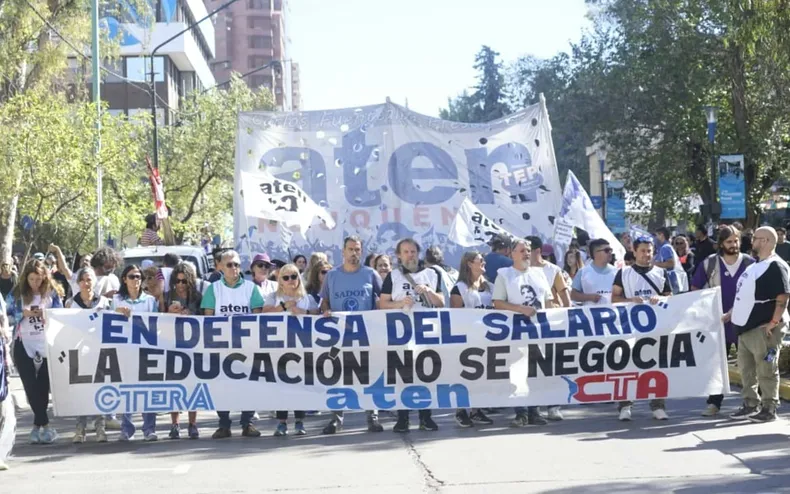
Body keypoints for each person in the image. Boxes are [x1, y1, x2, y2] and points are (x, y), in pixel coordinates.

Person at [319, 236, 385, 434]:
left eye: (357, 249)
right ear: (343, 251)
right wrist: (326, 310)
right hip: (339, 335)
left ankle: (372, 417)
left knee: (367, 376)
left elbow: (383, 300)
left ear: (361, 252)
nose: (354, 253)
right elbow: (324, 301)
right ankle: (336, 418)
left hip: (365, 335)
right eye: (350, 249)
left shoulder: (371, 274)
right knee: (337, 376)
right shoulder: (332, 275)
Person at [724, 227, 790, 423]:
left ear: (766, 241)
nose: (752, 241)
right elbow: (744, 295)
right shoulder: (755, 266)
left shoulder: (775, 265)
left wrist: (774, 322)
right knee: (747, 369)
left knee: (766, 369)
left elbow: (783, 296)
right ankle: (750, 403)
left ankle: (769, 407)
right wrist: (731, 313)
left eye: (755, 238)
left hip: (763, 328)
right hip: (745, 327)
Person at [380, 238, 444, 433]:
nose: (410, 255)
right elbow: (382, 304)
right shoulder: (393, 276)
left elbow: (441, 302)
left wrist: (429, 291)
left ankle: (426, 417)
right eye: (406, 252)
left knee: (426, 374)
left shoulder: (431, 274)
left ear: (418, 253)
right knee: (403, 376)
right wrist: (400, 304)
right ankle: (403, 418)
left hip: (426, 333)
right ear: (399, 255)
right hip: (401, 333)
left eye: (413, 252)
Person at [200, 250, 264, 439]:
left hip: (247, 346)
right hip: (222, 347)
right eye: (229, 265)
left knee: (249, 385)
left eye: (237, 264)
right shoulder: (213, 289)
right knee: (222, 386)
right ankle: (224, 424)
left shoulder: (251, 288)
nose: (234, 268)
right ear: (220, 267)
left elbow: (258, 318)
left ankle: (248, 423)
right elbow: (208, 319)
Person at [691, 226, 753, 416]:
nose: (733, 245)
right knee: (717, 366)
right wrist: (707, 310)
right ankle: (714, 403)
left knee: (749, 365)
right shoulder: (710, 264)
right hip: (718, 323)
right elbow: (695, 288)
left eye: (736, 241)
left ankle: (752, 402)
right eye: (729, 241)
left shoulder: (750, 263)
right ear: (721, 243)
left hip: (745, 322)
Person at [611, 236, 672, 421]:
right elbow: (614, 298)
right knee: (627, 366)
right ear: (635, 251)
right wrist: (630, 300)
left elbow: (670, 297)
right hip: (631, 328)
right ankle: (625, 406)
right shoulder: (624, 273)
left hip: (656, 328)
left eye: (649, 251)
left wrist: (660, 299)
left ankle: (658, 406)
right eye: (643, 251)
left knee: (656, 366)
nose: (646, 254)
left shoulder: (661, 273)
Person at [5, 259, 64, 444]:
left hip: (46, 343)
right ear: (26, 278)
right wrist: (22, 314)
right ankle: (43, 425)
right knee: (30, 385)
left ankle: (39, 426)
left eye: (38, 279)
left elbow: (61, 315)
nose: (35, 283)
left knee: (43, 386)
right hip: (24, 342)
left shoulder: (52, 293)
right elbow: (6, 317)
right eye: (31, 279)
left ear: (44, 277)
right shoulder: (17, 293)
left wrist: (47, 315)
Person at [491, 239, 549, 426]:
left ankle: (535, 411)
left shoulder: (539, 274)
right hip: (516, 331)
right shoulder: (504, 275)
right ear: (512, 253)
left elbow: (548, 301)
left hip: (538, 330)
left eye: (529, 250)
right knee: (518, 372)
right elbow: (498, 302)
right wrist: (520, 309)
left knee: (536, 372)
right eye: (522, 250)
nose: (527, 254)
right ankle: (521, 412)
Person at [262, 263, 319, 436]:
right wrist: (283, 307)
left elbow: (317, 314)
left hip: (301, 347)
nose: (290, 280)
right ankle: (282, 422)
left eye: (294, 276)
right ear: (280, 280)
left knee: (300, 386)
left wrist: (302, 312)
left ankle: (300, 421)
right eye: (286, 277)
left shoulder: (307, 298)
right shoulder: (273, 296)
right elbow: (264, 313)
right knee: (281, 386)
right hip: (279, 347)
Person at [112, 265, 160, 441]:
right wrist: (116, 312)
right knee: (126, 390)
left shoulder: (150, 301)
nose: (136, 280)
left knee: (148, 390)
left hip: (146, 351)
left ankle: (149, 428)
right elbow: (106, 321)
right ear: (124, 279)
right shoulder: (117, 300)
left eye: (138, 276)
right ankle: (126, 428)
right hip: (124, 351)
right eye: (132, 276)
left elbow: (156, 324)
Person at [67, 267, 112, 443]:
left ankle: (100, 428)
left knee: (99, 389)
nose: (87, 283)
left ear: (95, 281)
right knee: (81, 391)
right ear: (78, 283)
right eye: (83, 280)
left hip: (99, 352)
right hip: (77, 353)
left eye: (90, 279)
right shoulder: (71, 304)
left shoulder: (104, 302)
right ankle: (80, 429)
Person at [451, 251, 495, 428]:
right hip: (467, 338)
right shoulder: (460, 288)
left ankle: (476, 410)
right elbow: (455, 315)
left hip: (487, 337)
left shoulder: (490, 286)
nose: (484, 262)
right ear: (469, 263)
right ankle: (461, 410)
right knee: (465, 374)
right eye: (480, 260)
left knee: (482, 375)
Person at [163, 263, 203, 439]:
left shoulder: (197, 297)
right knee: (174, 386)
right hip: (171, 345)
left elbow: (206, 318)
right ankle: (175, 424)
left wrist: (191, 315)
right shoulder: (166, 296)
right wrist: (168, 313)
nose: (180, 285)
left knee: (193, 386)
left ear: (190, 281)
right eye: (177, 281)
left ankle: (192, 424)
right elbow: (156, 318)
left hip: (193, 345)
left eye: (184, 281)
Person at [526, 236, 571, 309]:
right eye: (522, 251)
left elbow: (566, 301)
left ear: (537, 251)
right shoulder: (519, 268)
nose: (525, 254)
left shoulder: (553, 270)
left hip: (549, 314)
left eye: (528, 250)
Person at [571, 239, 617, 306]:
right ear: (595, 253)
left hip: (613, 311)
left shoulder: (617, 272)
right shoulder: (583, 272)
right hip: (590, 312)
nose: (610, 253)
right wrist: (589, 297)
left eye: (611, 250)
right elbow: (573, 295)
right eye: (607, 250)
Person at [653, 227, 689, 294]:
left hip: (673, 282)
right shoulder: (666, 247)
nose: (655, 238)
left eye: (656, 235)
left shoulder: (665, 248)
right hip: (674, 282)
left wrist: (653, 263)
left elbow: (670, 264)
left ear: (662, 235)